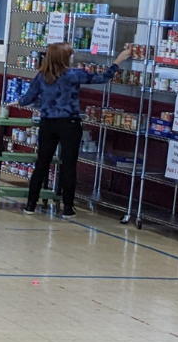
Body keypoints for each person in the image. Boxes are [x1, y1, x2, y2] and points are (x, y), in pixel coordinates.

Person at [7, 42, 130, 217]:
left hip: (48, 124)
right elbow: (103, 78)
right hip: (69, 124)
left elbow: (28, 98)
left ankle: (30, 205)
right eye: (70, 54)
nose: (73, 57)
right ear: (64, 58)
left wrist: (15, 102)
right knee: (69, 165)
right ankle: (67, 208)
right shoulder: (74, 75)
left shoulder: (42, 76)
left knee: (42, 164)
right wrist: (118, 61)